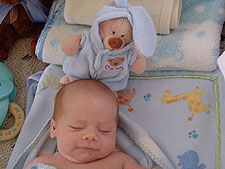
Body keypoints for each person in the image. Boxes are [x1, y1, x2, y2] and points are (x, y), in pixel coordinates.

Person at [25, 79, 146, 169]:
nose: (91, 136)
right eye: (77, 127)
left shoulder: (121, 162)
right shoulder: (43, 164)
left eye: (105, 130)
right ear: (54, 128)